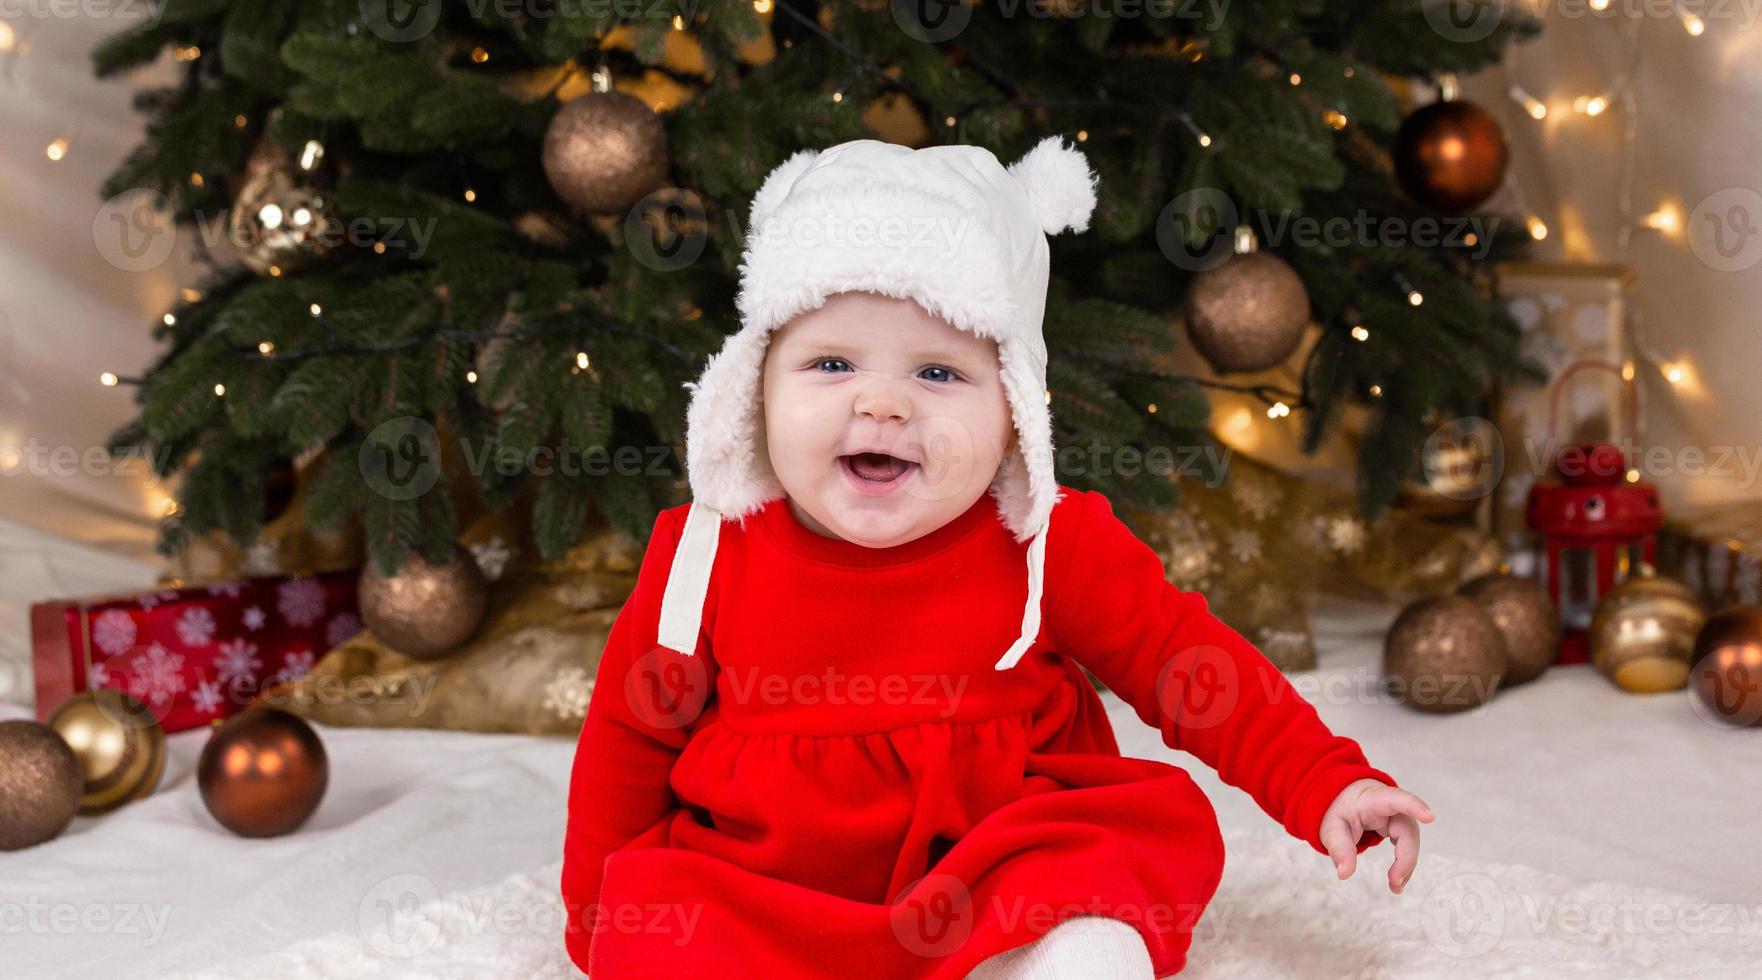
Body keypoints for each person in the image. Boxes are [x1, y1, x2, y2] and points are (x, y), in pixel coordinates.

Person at [561, 137, 1433, 979]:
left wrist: (1325, 782)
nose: (882, 403)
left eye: (939, 373)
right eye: (831, 363)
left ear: (1015, 410)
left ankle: (1055, 963)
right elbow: (628, 739)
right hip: (773, 882)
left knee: (1091, 884)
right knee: (670, 918)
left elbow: (1193, 669)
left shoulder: (1047, 541)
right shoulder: (704, 552)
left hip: (996, 858)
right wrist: (598, 919)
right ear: (755, 387)